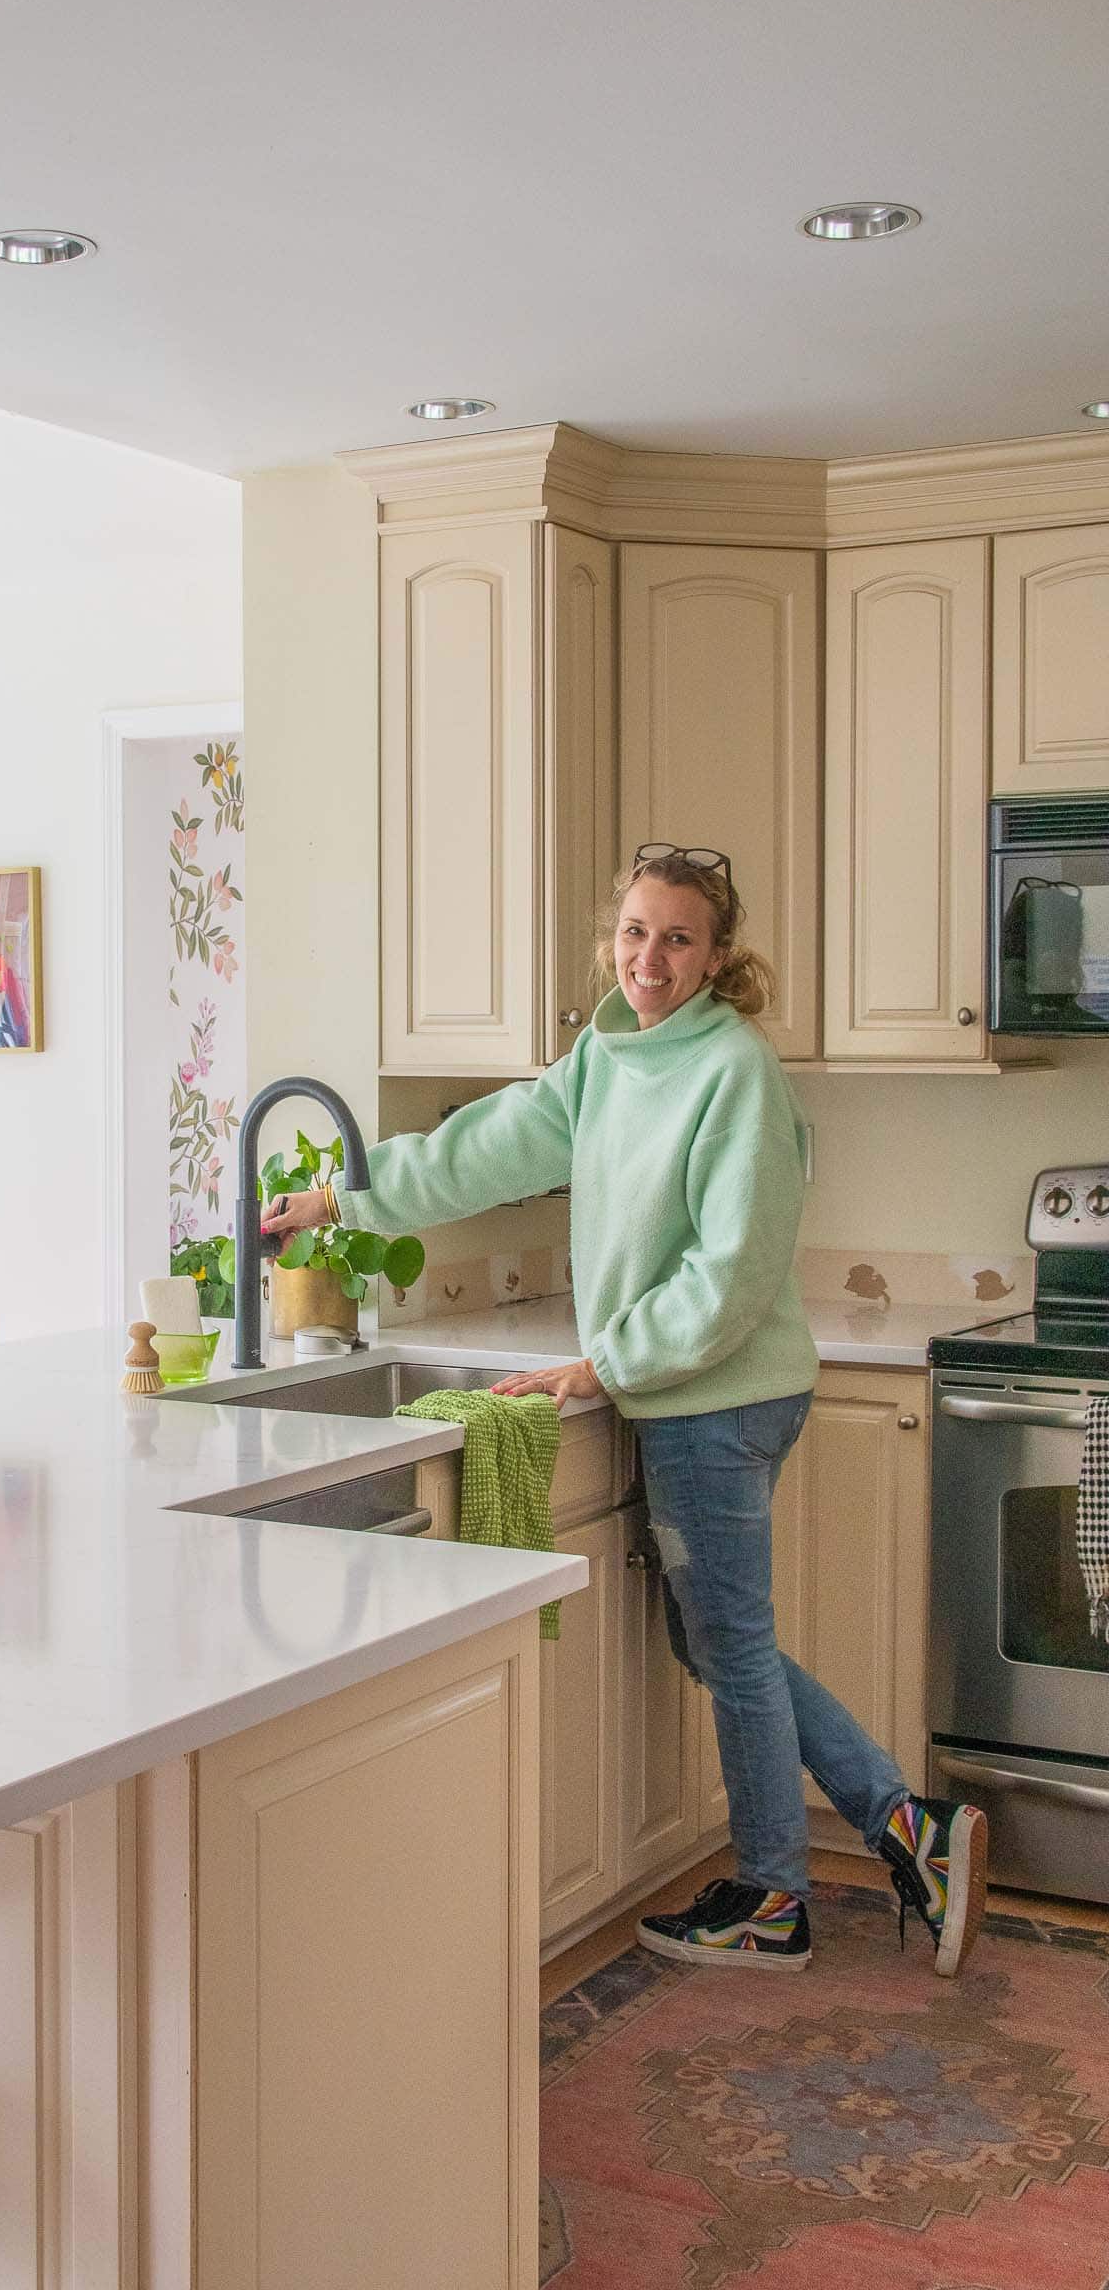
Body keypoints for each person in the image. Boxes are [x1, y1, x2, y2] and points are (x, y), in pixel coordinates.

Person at [263, 844, 986, 1977]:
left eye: (678, 938)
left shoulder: (733, 1070)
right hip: (693, 1393)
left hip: (717, 1399)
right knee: (721, 1644)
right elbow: (484, 1149)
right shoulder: (606, 1057)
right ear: (613, 939)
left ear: (717, 957)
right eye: (636, 932)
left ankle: (775, 1896)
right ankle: (910, 1833)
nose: (650, 958)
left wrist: (603, 1368)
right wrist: (339, 1196)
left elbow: (733, 1273)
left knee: (731, 1651)